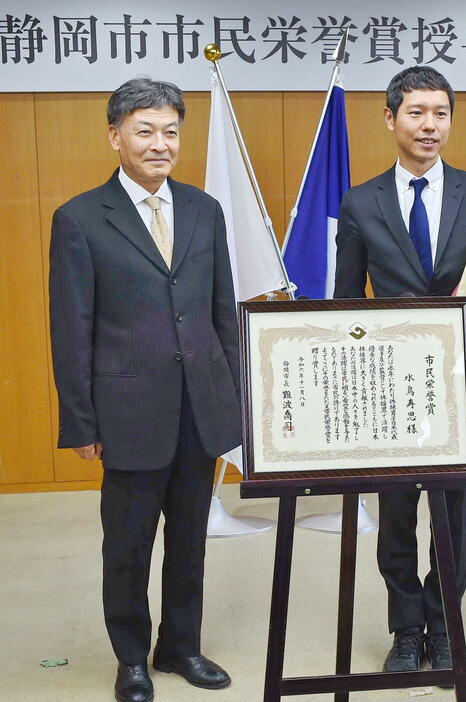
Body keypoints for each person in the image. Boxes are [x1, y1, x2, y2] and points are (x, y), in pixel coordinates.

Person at [334, 66, 466, 679]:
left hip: (464, 380)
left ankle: (445, 627)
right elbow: (345, 304)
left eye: (441, 113)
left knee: (453, 511)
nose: (430, 125)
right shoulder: (359, 200)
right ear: (391, 119)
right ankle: (405, 628)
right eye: (417, 113)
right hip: (389, 387)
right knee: (394, 515)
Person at [49, 77, 241, 702]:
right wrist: (81, 421)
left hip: (198, 406)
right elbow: (71, 327)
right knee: (127, 544)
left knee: (190, 538)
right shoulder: (79, 218)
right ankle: (131, 655)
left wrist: (232, 397)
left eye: (170, 131)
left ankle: (180, 645)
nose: (160, 144)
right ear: (115, 136)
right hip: (128, 409)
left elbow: (220, 312)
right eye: (145, 130)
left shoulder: (204, 210)